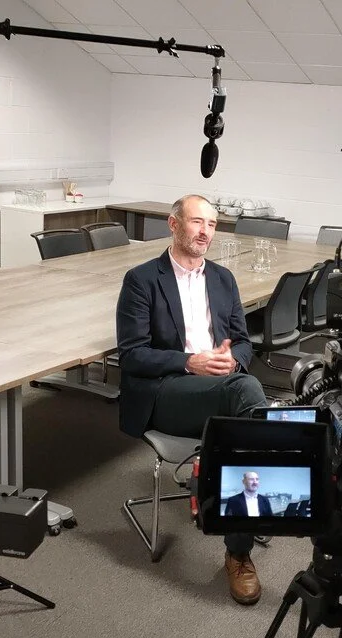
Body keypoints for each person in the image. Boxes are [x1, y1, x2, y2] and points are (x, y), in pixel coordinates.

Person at [115, 193, 269, 605]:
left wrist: (230, 361)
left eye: (213, 224)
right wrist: (191, 362)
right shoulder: (142, 279)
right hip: (166, 390)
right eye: (197, 222)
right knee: (251, 398)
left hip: (218, 384)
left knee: (245, 403)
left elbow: (242, 342)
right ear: (174, 224)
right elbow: (131, 355)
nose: (205, 232)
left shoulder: (222, 279)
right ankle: (244, 530)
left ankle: (234, 537)